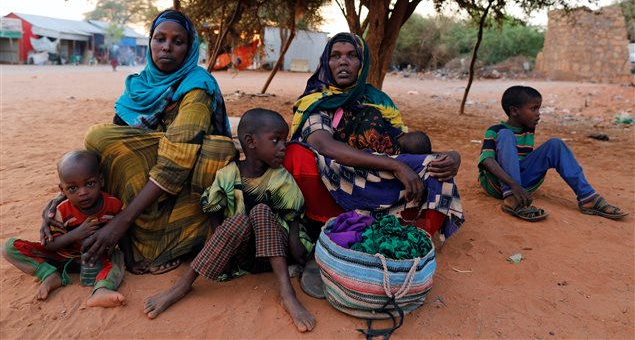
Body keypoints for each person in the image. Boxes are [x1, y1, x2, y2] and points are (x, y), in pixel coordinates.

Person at [40, 10, 237, 275]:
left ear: (189, 49)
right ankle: (139, 235)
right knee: (98, 138)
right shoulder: (139, 86)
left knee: (217, 149)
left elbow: (178, 158)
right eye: (160, 39)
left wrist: (122, 221)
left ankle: (166, 240)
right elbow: (108, 150)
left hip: (190, 178)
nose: (166, 47)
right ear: (150, 43)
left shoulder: (197, 86)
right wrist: (64, 198)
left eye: (177, 42)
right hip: (151, 176)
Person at [284, 32, 465, 297]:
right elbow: (324, 145)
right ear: (326, 62)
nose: (343, 62)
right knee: (297, 155)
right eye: (336, 56)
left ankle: (404, 238)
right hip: (332, 182)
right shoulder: (316, 100)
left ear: (362, 63)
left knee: (437, 168)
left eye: (351, 55)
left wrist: (451, 157)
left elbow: (403, 145)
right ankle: (326, 236)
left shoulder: (378, 101)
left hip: (376, 179)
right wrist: (395, 166)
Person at [143, 109, 316, 332]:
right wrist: (221, 248)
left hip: (277, 256)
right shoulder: (227, 175)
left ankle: (287, 293)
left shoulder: (281, 178)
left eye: (285, 140)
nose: (284, 146)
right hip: (242, 257)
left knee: (261, 211)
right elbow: (213, 210)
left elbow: (293, 220)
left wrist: (298, 253)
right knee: (236, 222)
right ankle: (183, 285)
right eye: (276, 140)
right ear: (250, 142)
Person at [477, 85, 628, 221]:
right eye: (533, 109)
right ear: (514, 111)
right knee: (506, 135)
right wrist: (513, 185)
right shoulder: (496, 130)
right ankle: (512, 199)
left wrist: (518, 184)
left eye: (539, 109)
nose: (538, 114)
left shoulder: (528, 129)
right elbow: (487, 161)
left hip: (522, 185)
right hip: (498, 184)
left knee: (555, 144)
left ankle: (588, 197)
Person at [3, 151, 126, 308]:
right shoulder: (61, 212)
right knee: (9, 248)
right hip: (61, 258)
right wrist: (76, 234)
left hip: (96, 259)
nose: (82, 192)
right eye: (73, 188)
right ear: (62, 190)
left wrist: (131, 260)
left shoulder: (113, 205)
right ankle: (50, 274)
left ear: (100, 180)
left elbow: (122, 234)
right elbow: (49, 245)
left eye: (89, 184)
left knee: (117, 260)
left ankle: (102, 289)